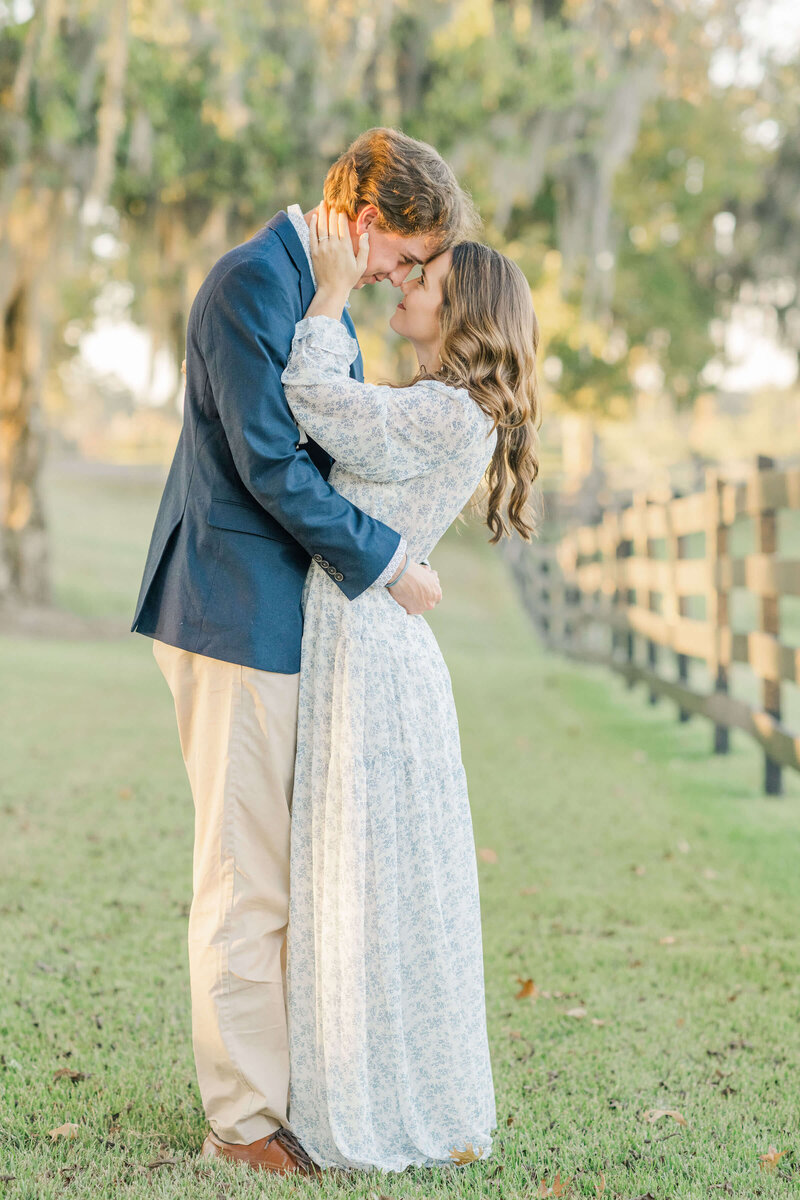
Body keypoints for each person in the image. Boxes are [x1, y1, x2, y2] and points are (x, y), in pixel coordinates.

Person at [131, 129, 478, 1176]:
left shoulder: (311, 293)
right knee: (244, 877)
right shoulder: (252, 283)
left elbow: (337, 442)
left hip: (284, 621)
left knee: (277, 872)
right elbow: (273, 470)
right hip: (232, 610)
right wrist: (386, 562)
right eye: (406, 259)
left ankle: (275, 1096)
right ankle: (240, 1124)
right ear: (366, 225)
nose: (402, 282)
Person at [279, 204, 541, 1171]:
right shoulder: (441, 408)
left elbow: (317, 397)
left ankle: (374, 1094)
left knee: (367, 873)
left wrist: (333, 291)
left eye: (422, 280)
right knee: (365, 873)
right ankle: (362, 1071)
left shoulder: (445, 412)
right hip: (368, 635)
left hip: (372, 651)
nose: (406, 282)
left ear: (462, 311)